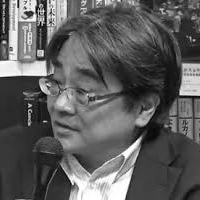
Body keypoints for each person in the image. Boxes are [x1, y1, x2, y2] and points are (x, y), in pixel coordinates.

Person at [1, 1, 200, 200]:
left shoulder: (191, 177)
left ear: (144, 108)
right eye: (57, 82)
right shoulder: (6, 154)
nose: (60, 105)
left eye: (83, 92)